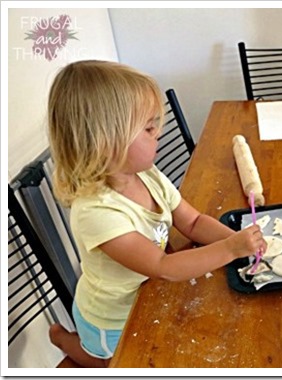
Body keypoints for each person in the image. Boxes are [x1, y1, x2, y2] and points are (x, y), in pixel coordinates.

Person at [47, 60, 266, 367]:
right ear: (105, 142)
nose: (158, 132)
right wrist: (231, 249)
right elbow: (162, 266)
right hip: (111, 319)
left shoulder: (146, 174)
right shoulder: (97, 212)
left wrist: (240, 241)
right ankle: (62, 338)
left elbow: (193, 221)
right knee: (112, 365)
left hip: (145, 294)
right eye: (149, 128)